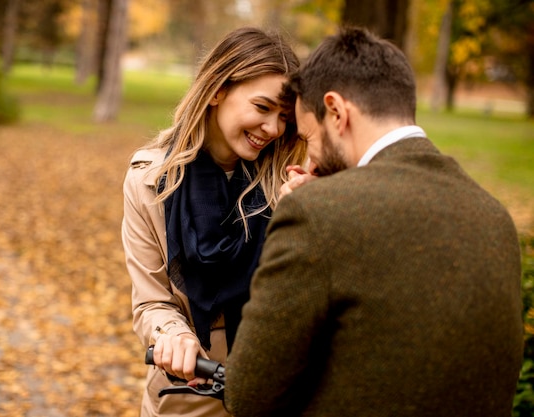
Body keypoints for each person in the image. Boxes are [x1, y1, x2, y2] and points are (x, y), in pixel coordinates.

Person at [224, 26, 523, 417]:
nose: (310, 161)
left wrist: (311, 211)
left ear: (336, 111)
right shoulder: (494, 216)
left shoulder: (317, 214)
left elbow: (248, 395)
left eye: (309, 138)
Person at [121, 27, 307, 417]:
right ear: (218, 90)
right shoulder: (150, 180)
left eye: (284, 118)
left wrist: (305, 222)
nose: (273, 129)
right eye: (262, 107)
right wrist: (173, 336)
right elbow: (152, 300)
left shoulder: (293, 184)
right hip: (187, 396)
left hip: (273, 395)